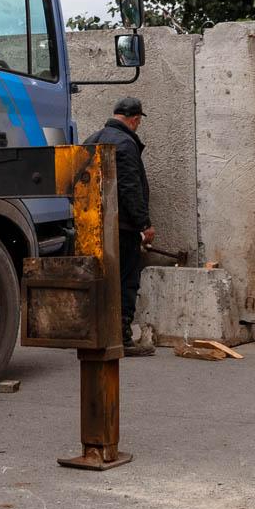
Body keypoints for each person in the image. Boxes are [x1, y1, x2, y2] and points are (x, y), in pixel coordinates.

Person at [88, 96, 154, 356]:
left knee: (100, 281)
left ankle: (97, 334)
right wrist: (144, 223)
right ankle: (123, 337)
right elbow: (129, 188)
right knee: (126, 281)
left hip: (94, 226)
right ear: (135, 119)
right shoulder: (126, 143)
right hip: (123, 228)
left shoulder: (93, 139)